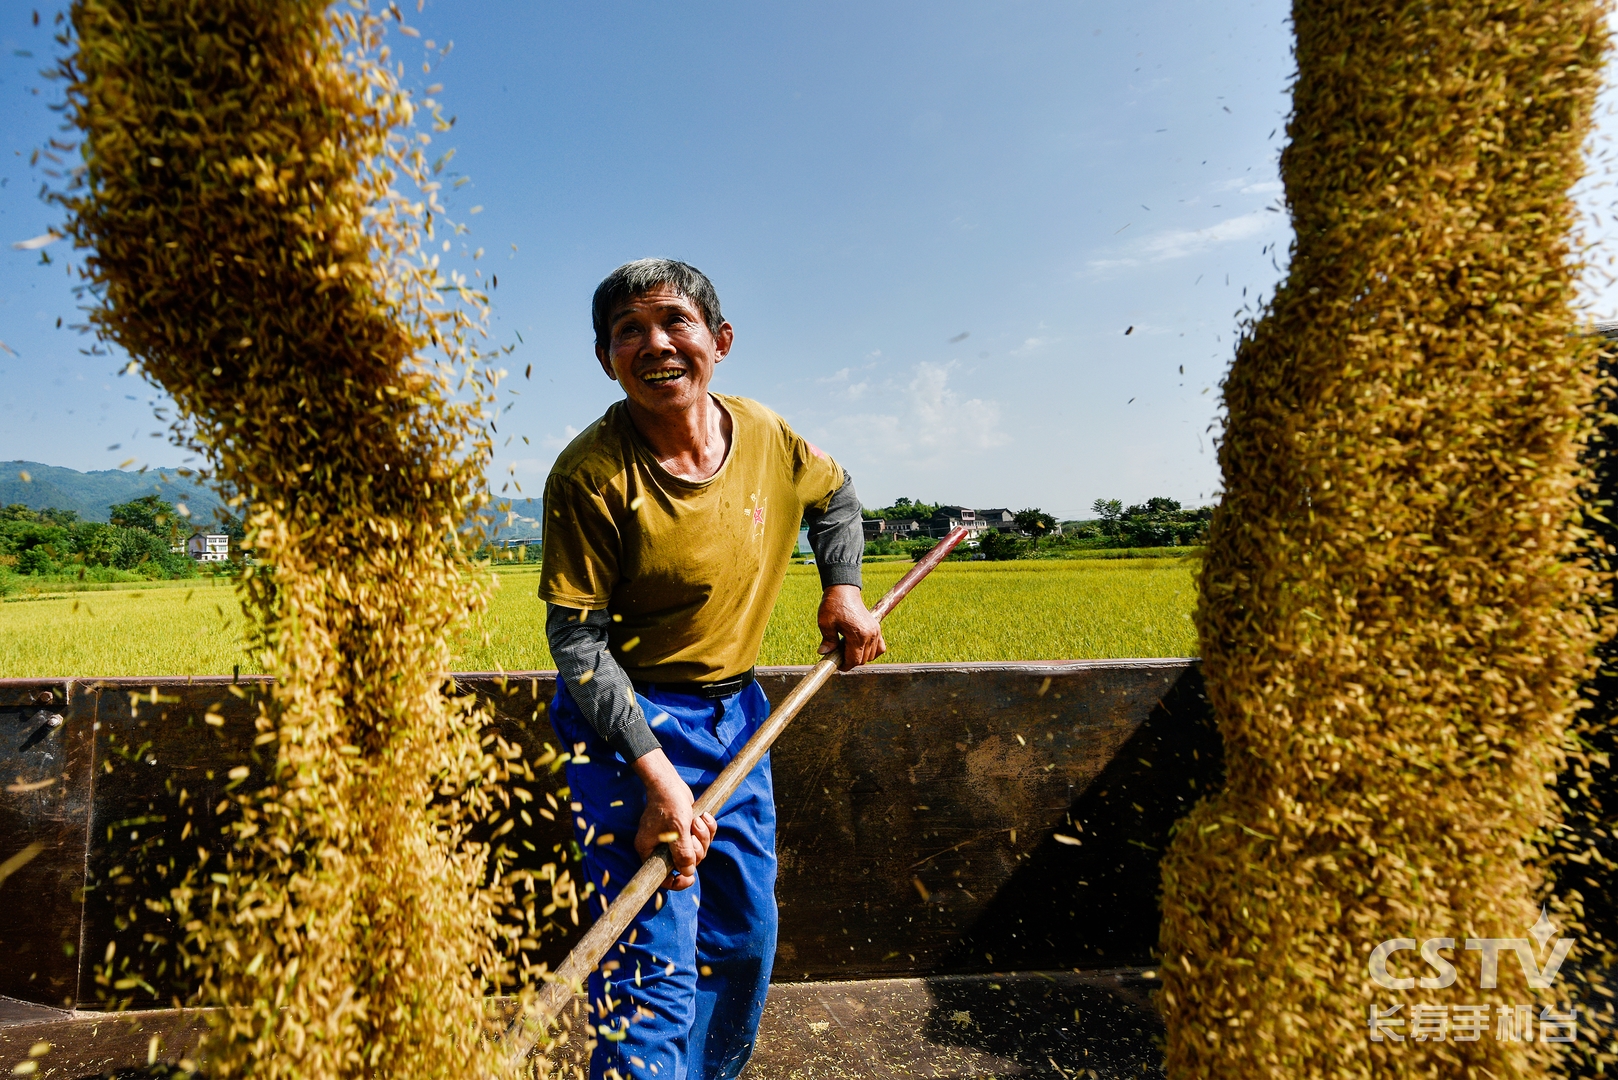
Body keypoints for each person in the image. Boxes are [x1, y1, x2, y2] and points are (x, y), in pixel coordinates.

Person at [538, 259, 883, 1080]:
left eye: (674, 322)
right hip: (624, 724)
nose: (654, 344)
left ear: (719, 342)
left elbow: (834, 497)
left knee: (742, 937)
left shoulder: (765, 434)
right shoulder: (589, 475)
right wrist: (657, 778)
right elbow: (579, 645)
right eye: (629, 331)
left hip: (738, 716)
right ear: (605, 359)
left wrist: (844, 587)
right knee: (650, 963)